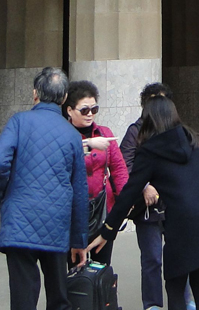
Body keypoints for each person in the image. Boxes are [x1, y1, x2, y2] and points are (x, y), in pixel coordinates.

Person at [90, 96, 199, 310]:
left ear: (148, 119)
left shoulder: (150, 151)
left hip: (183, 228)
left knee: (174, 287)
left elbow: (129, 193)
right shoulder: (192, 141)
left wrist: (107, 230)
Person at [0, 66, 90, 310]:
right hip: (57, 224)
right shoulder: (73, 135)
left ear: (35, 93)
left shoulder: (19, 122)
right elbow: (80, 191)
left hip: (19, 221)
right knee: (59, 297)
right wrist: (79, 241)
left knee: (23, 299)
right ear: (64, 98)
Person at [121, 82, 175, 310]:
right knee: (152, 259)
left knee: (179, 257)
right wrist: (144, 186)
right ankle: (152, 305)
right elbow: (125, 164)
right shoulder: (136, 131)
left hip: (174, 205)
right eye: (151, 100)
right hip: (148, 209)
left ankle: (184, 301)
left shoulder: (176, 130)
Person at [64, 80, 129, 266]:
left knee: (102, 265)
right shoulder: (63, 134)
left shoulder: (104, 133)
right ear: (70, 110)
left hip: (103, 209)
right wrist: (86, 145)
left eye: (94, 109)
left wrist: (123, 204)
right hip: (72, 213)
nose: (90, 114)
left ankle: (101, 296)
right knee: (73, 267)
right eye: (84, 110)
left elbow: (119, 169)